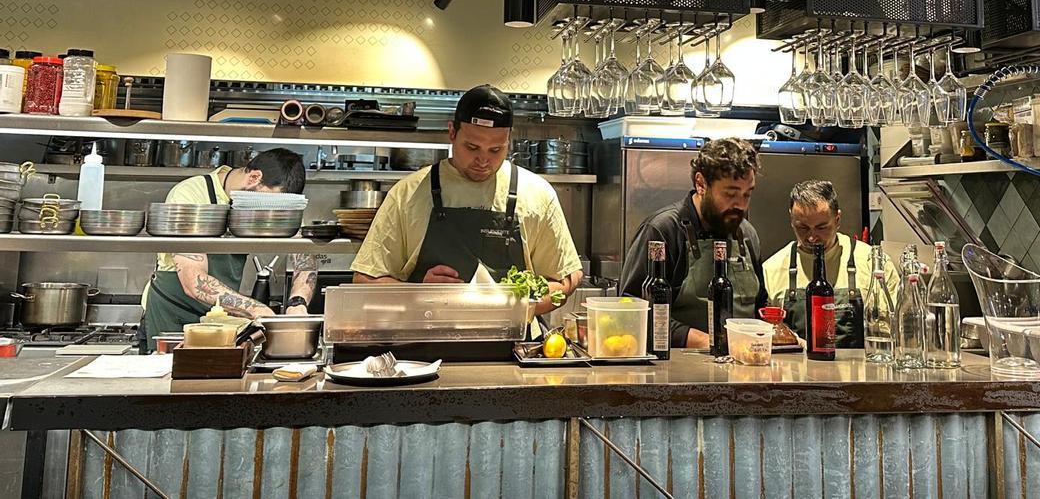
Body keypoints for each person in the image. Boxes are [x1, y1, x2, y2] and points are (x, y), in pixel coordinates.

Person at [352, 85, 582, 316]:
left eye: (496, 150)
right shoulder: (408, 193)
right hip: (425, 343)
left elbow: (564, 280)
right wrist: (419, 294)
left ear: (509, 140)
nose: (483, 160)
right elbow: (364, 281)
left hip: (508, 347)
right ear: (452, 132)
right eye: (472, 147)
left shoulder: (537, 194)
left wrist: (519, 304)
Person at [140, 149, 316, 349]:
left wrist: (298, 303)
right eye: (270, 203)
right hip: (173, 313)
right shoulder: (190, 195)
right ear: (254, 178)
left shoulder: (260, 200)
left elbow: (304, 254)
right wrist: (258, 310)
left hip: (220, 317)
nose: (270, 213)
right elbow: (193, 282)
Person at [618, 137, 767, 349]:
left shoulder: (747, 234)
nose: (740, 205)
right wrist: (707, 341)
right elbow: (631, 312)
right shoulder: (663, 231)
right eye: (730, 194)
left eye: (747, 194)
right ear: (701, 184)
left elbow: (761, 304)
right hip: (676, 371)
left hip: (744, 367)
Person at [762, 180, 899, 347]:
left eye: (821, 227)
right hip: (796, 371)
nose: (812, 237)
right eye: (802, 228)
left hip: (861, 371)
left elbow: (898, 328)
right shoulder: (772, 269)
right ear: (791, 220)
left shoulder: (874, 264)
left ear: (838, 219)